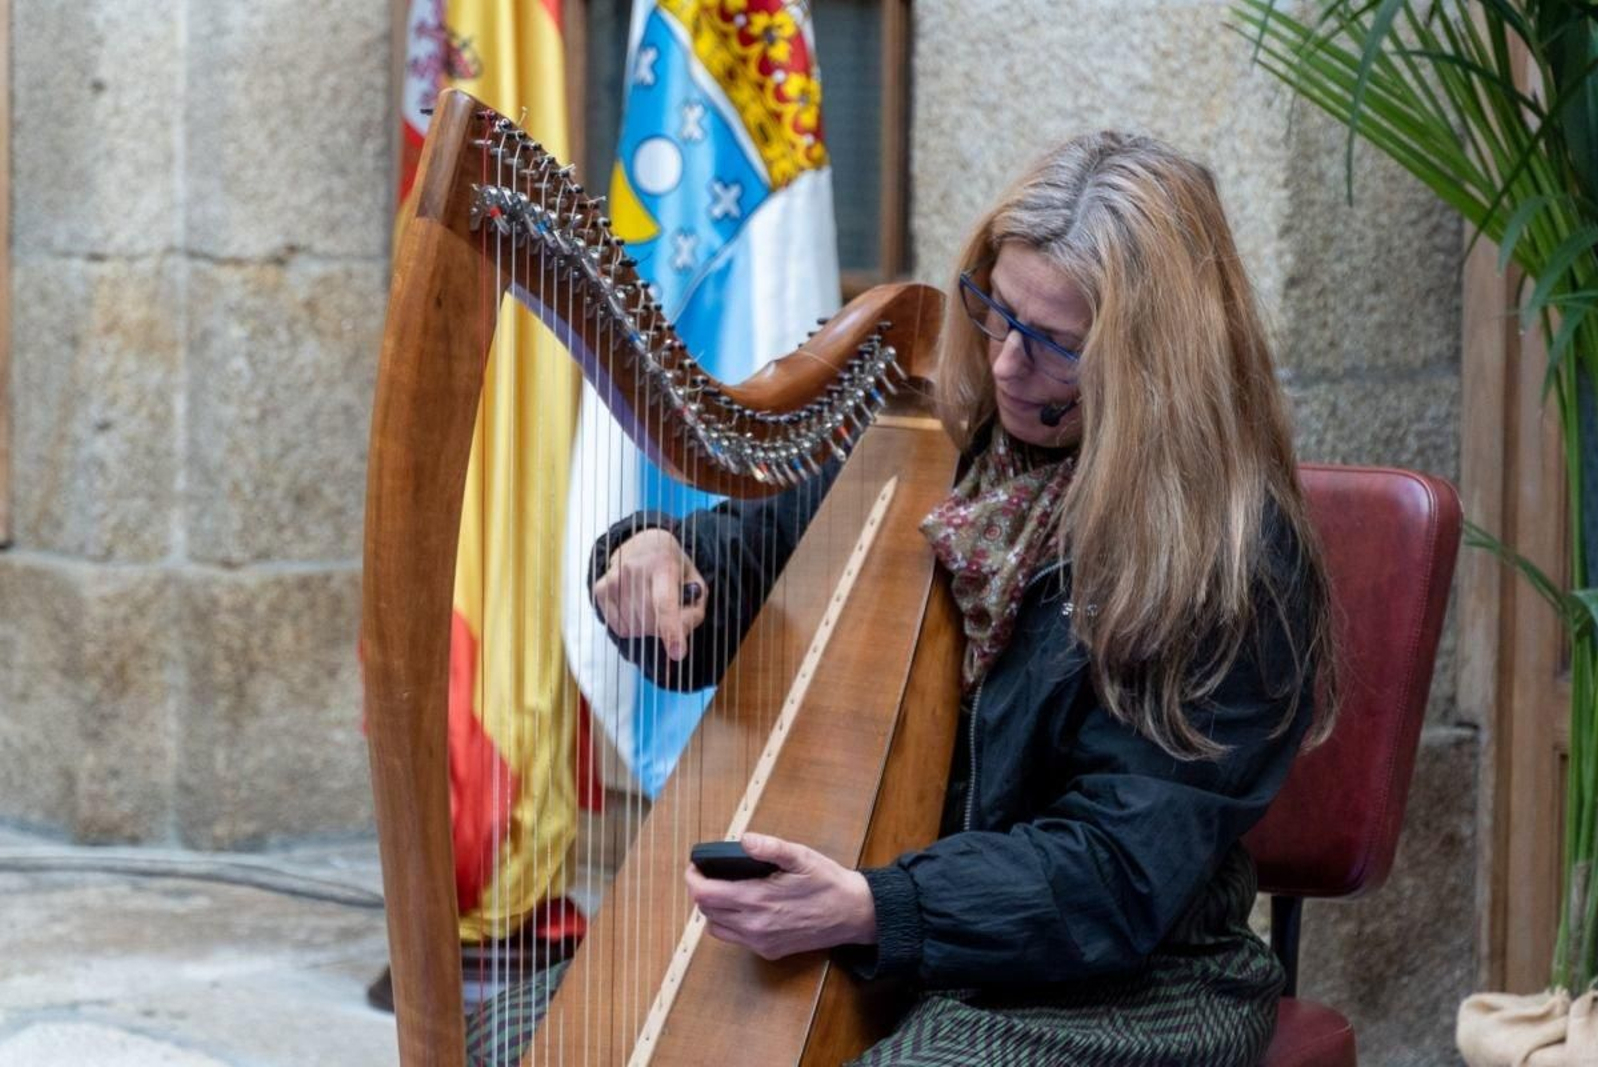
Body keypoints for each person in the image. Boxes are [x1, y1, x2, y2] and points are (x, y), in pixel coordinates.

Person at [475, 130, 1337, 1066]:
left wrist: (876, 905)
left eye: (1056, 346)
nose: (1007, 363)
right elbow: (737, 568)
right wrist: (653, 558)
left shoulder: (1231, 561)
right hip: (890, 924)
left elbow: (1120, 871)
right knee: (525, 1034)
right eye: (998, 313)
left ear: (1157, 365)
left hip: (1133, 976)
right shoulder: (932, 451)